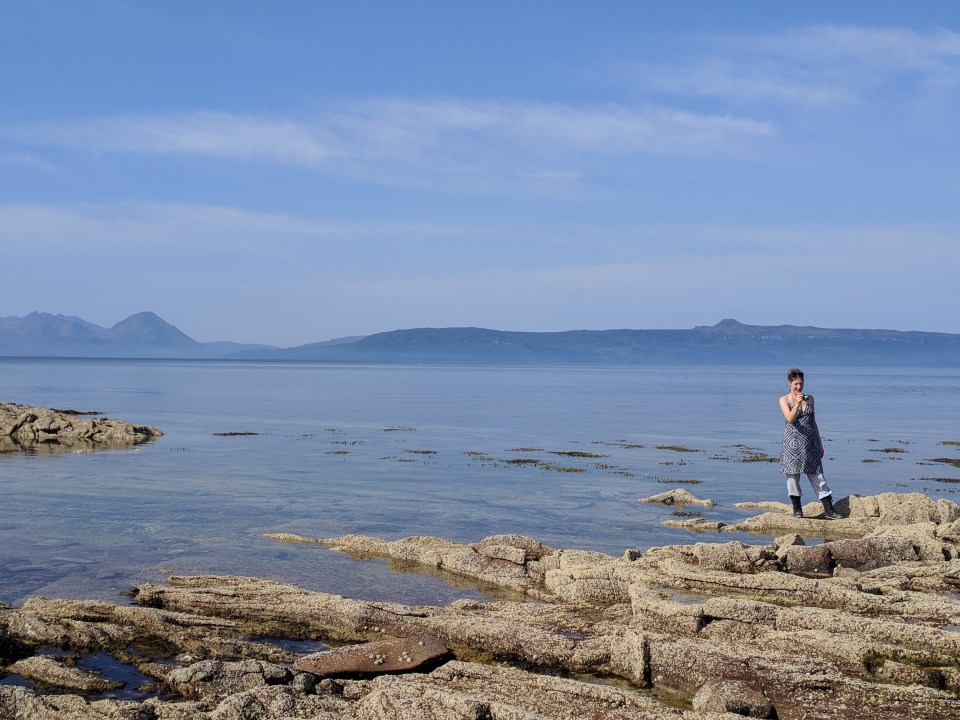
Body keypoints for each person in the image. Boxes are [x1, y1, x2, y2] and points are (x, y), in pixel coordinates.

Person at [779, 368, 842, 519]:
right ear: (789, 383)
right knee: (793, 478)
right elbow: (790, 419)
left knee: (818, 476)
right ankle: (797, 510)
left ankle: (829, 509)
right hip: (792, 446)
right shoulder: (784, 400)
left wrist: (820, 443)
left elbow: (813, 423)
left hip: (810, 444)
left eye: (801, 383)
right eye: (796, 384)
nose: (799, 387)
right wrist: (796, 404)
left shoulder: (810, 399)